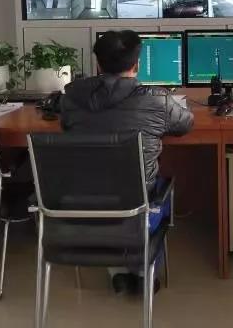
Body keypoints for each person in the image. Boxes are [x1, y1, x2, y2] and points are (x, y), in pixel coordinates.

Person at [61, 30, 193, 294]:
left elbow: (66, 127)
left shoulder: (70, 98)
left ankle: (118, 271)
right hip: (139, 209)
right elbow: (186, 124)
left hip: (83, 205)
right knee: (158, 191)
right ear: (137, 64)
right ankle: (143, 271)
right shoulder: (157, 99)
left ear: (98, 65)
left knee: (105, 183)